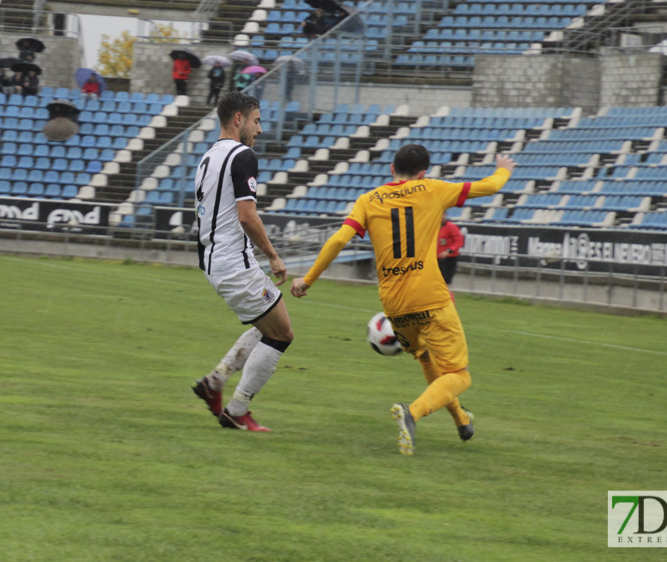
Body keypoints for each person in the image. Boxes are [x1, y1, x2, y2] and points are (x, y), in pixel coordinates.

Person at [290, 146, 516, 455]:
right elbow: (491, 186)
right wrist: (503, 168)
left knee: (425, 355)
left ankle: (462, 420)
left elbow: (339, 239)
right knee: (459, 375)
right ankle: (413, 412)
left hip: (394, 305)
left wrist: (307, 279)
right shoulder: (434, 189)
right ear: (423, 173)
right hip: (431, 297)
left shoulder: (368, 200)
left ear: (391, 168)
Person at [190, 91, 293, 432]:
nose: (259, 129)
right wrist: (274, 256)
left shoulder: (208, 157)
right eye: (256, 121)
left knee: (267, 325)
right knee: (281, 334)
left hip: (214, 260)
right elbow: (247, 216)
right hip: (234, 263)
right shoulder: (242, 155)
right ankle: (237, 409)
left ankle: (216, 382)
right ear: (238, 119)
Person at [437, 215, 463, 286]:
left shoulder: (451, 227)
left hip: (448, 259)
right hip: (435, 259)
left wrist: (448, 251)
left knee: (444, 282)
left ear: (445, 215)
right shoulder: (434, 227)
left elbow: (459, 241)